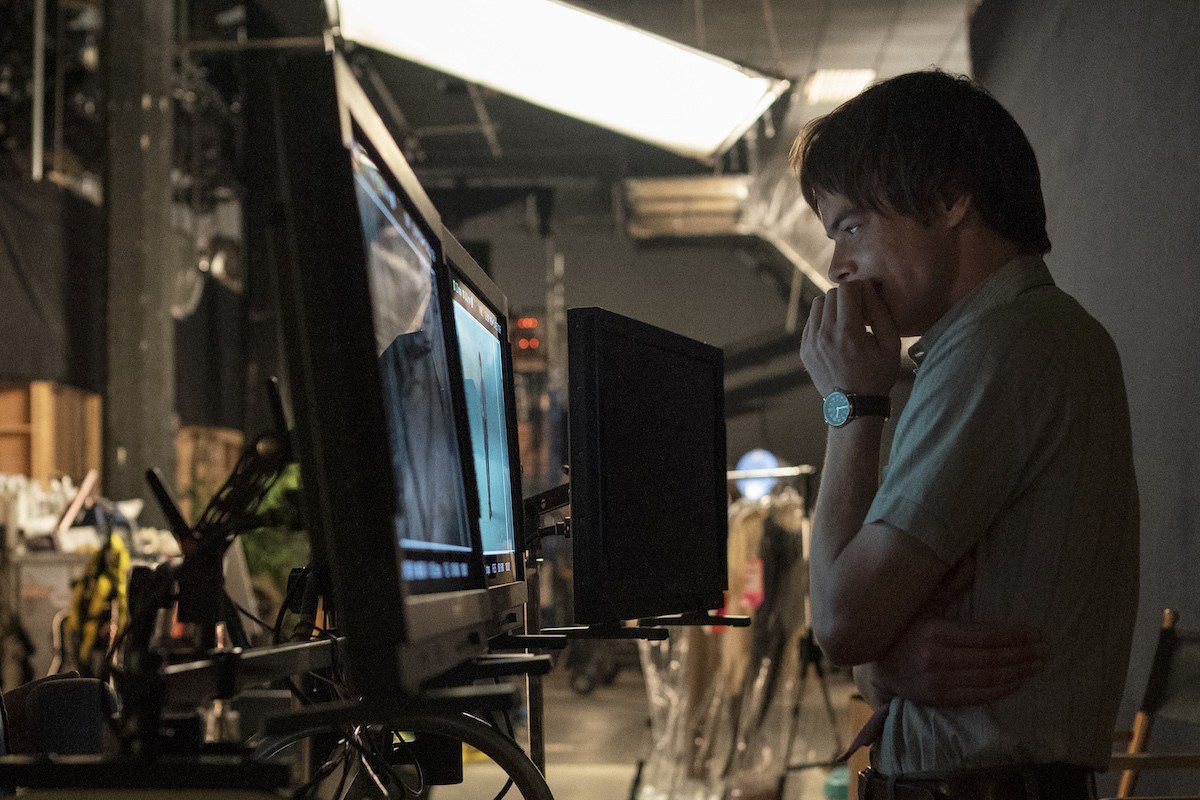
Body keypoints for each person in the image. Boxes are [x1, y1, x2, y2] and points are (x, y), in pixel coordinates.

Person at [792, 69, 1139, 799]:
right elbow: (864, 640)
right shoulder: (1004, 340)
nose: (838, 266)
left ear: (951, 197)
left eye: (851, 226)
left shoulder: (1005, 345)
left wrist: (851, 404)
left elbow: (842, 620)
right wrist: (884, 662)